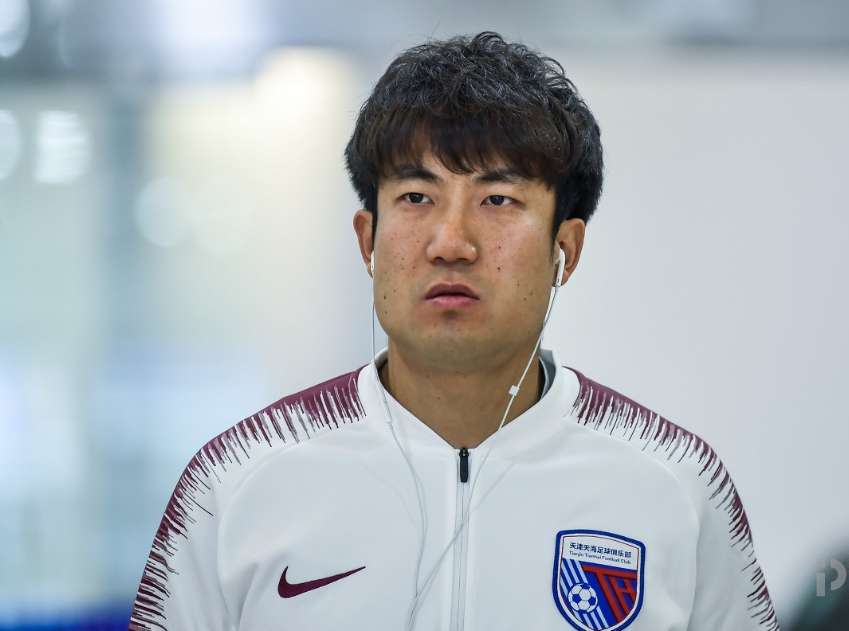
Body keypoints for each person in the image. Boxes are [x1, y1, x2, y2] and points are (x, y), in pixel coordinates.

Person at [129, 31, 779, 631]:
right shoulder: (234, 486)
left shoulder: (675, 486)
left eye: (498, 200)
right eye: (416, 197)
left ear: (566, 249)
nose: (451, 242)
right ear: (368, 240)